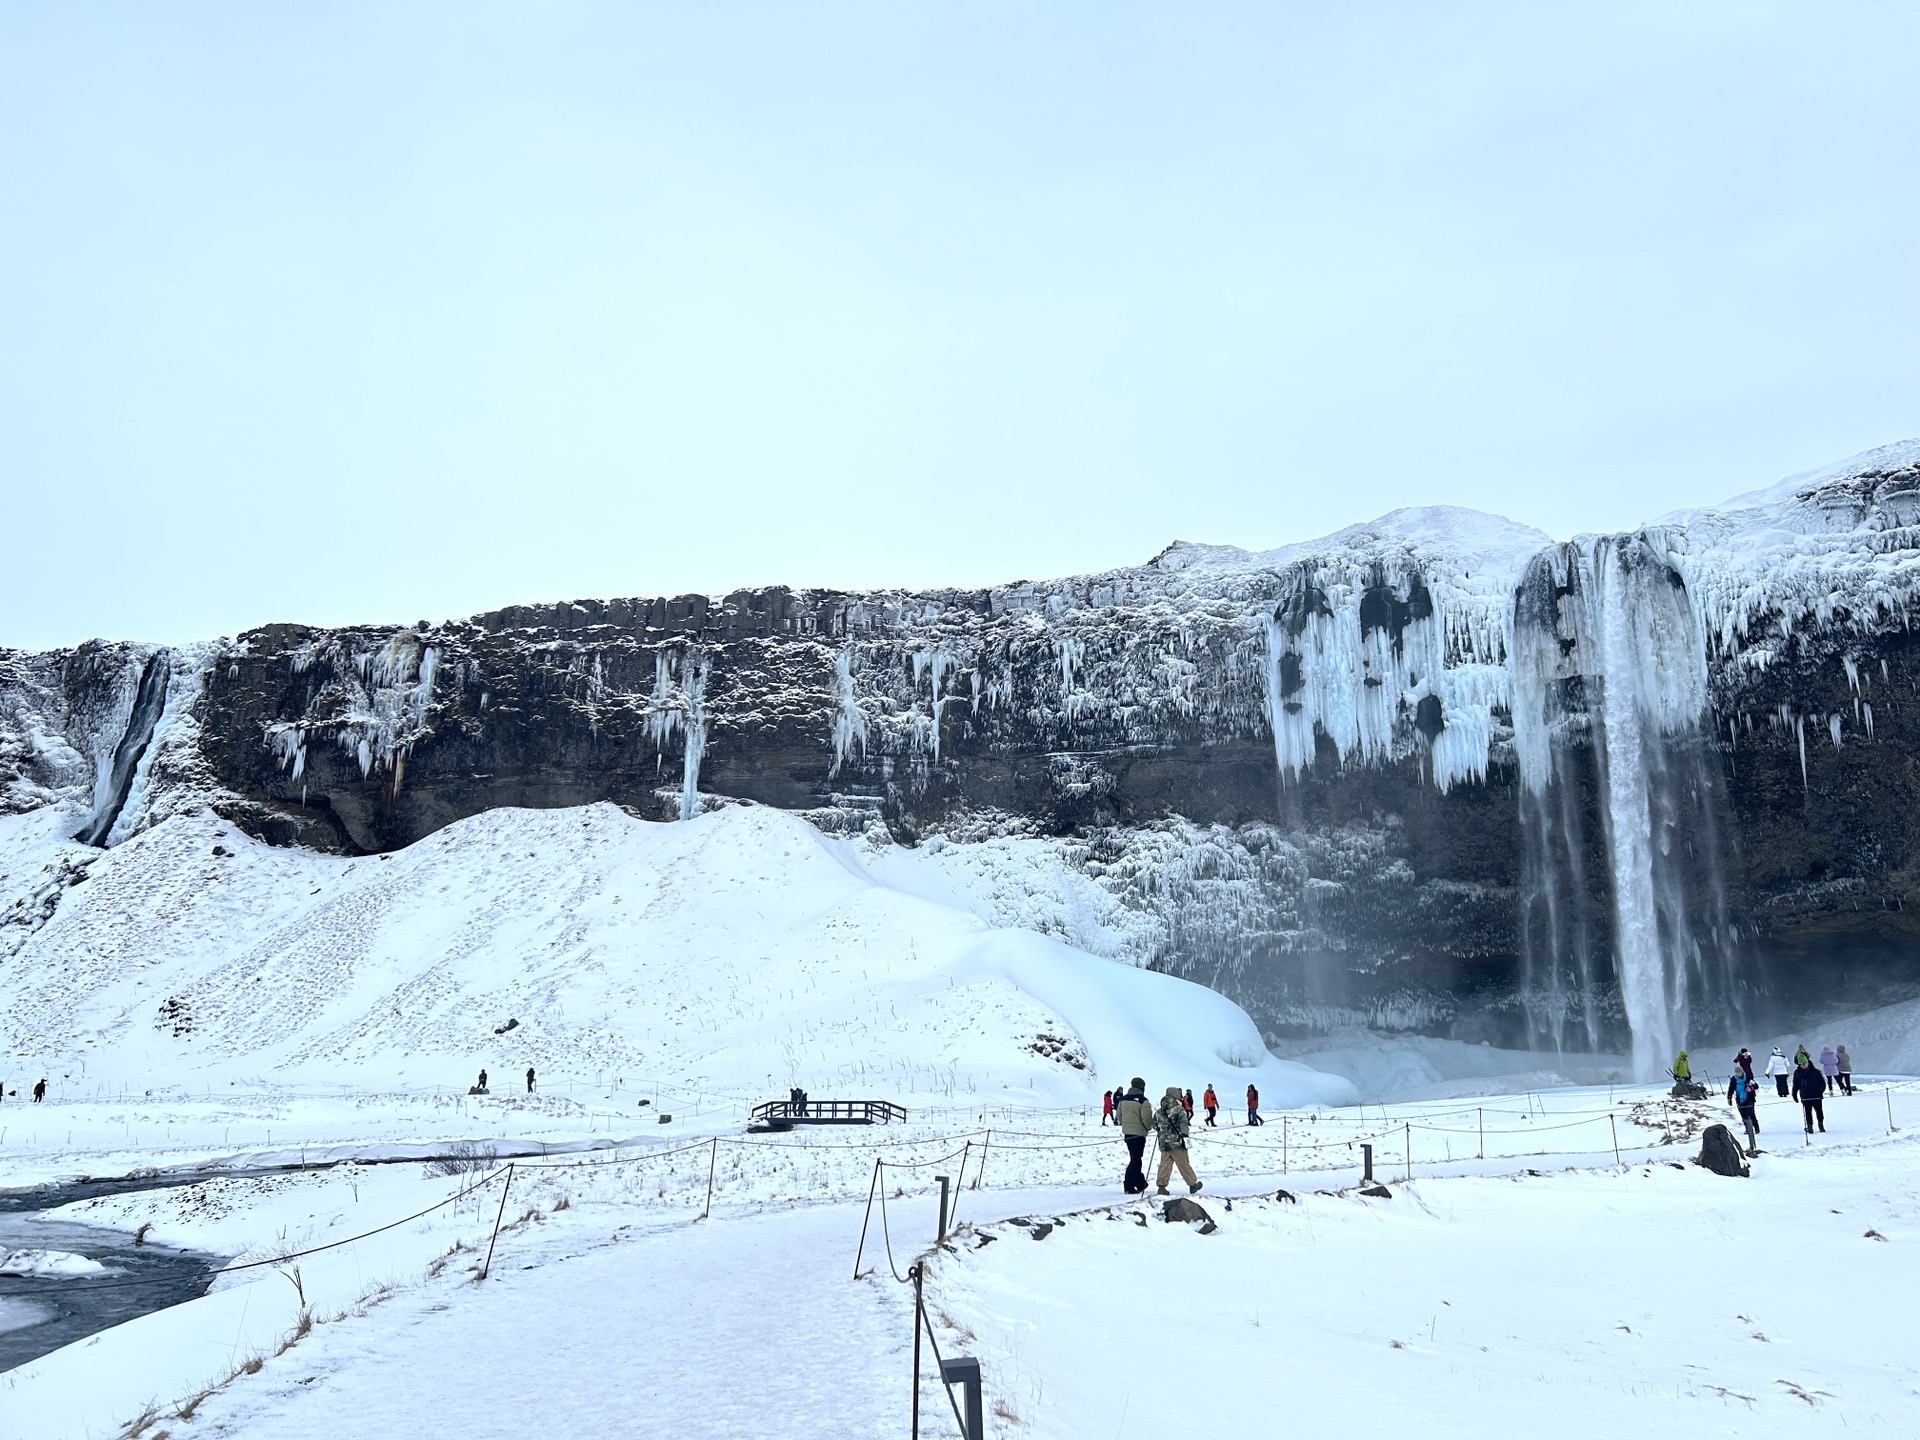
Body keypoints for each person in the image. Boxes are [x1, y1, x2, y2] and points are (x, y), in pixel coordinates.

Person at [1153, 1085, 1202, 1196]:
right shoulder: (1179, 1109)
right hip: (1177, 1143)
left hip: (1164, 1143)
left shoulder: (1160, 1111)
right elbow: (1184, 1126)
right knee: (1183, 1164)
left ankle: (1161, 1186)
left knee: (1165, 1165)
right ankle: (1192, 1184)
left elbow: (1154, 1125)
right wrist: (1184, 1134)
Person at [1115, 1077, 1154, 1195]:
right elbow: (1146, 1119)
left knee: (1135, 1158)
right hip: (1139, 1133)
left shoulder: (1123, 1099)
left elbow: (1119, 1115)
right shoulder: (1143, 1100)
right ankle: (1130, 1184)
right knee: (1136, 1160)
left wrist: (1125, 1125)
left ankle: (1139, 1182)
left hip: (1128, 1133)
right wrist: (1148, 1128)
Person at [1726, 1065, 1760, 1151]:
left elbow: (1756, 1086)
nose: (1738, 1074)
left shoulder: (1748, 1077)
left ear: (1742, 1072)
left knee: (1751, 1114)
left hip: (1749, 1098)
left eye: (1739, 1072)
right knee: (1743, 1115)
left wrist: (1751, 1088)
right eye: (1736, 1073)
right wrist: (1729, 1097)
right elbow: (1731, 1088)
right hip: (1740, 1099)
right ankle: (1747, 1129)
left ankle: (1756, 1127)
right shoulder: (1733, 1079)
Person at [1792, 1053, 1827, 1134]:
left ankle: (1821, 1125)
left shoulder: (1816, 1071)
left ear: (1808, 1062)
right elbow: (1795, 1085)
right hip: (1805, 1096)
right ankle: (1809, 1126)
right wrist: (1794, 1094)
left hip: (1817, 1096)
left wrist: (1820, 1091)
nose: (1803, 1065)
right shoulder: (1797, 1073)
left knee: (1819, 1111)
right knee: (1807, 1112)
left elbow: (1822, 1083)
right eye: (1801, 1064)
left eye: (1804, 1063)